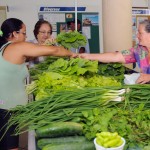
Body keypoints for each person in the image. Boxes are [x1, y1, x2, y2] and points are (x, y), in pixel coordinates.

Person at [0, 18, 75, 150]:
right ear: (14, 34)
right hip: (6, 109)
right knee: (11, 147)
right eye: (23, 33)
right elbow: (55, 51)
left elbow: (30, 57)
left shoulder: (6, 48)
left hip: (5, 106)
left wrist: (46, 45)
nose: (26, 36)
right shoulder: (16, 46)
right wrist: (74, 55)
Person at [79, 19, 150, 84]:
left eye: (140, 33)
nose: (137, 36)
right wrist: (88, 56)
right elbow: (115, 56)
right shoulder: (140, 50)